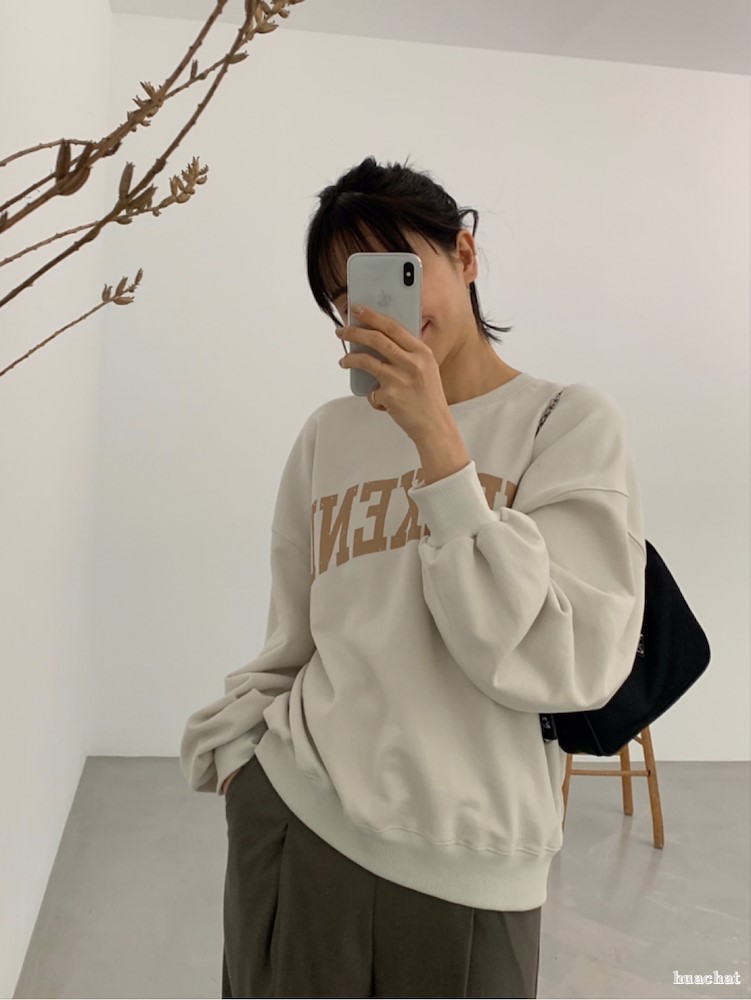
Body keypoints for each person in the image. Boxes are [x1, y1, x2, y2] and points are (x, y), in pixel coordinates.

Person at [180, 156, 646, 999]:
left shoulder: (565, 424)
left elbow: (566, 663)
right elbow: (293, 637)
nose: (367, 308)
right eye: (342, 294)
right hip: (298, 820)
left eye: (393, 271)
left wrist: (437, 441)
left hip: (472, 864)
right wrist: (244, 767)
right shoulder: (328, 434)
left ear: (463, 254)